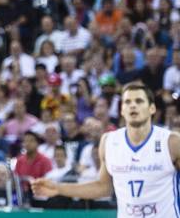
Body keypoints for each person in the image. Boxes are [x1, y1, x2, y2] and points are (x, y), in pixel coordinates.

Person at [33, 82, 180, 218]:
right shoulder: (109, 141)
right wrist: (59, 188)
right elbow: (103, 187)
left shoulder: (171, 142)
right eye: (127, 102)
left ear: (152, 108)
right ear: (122, 110)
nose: (133, 106)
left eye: (139, 101)